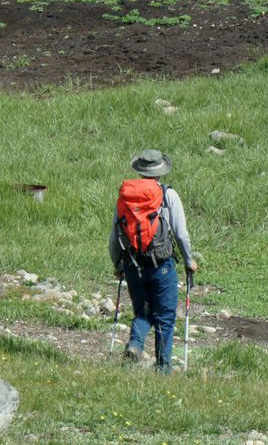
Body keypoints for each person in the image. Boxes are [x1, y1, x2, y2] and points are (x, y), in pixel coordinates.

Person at [108, 149, 198, 373]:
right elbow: (181, 234)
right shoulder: (168, 195)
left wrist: (118, 265)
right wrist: (189, 261)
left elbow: (114, 236)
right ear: (160, 171)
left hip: (132, 265)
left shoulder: (125, 198)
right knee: (165, 317)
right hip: (161, 267)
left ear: (140, 170)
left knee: (143, 313)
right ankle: (163, 368)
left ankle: (135, 344)